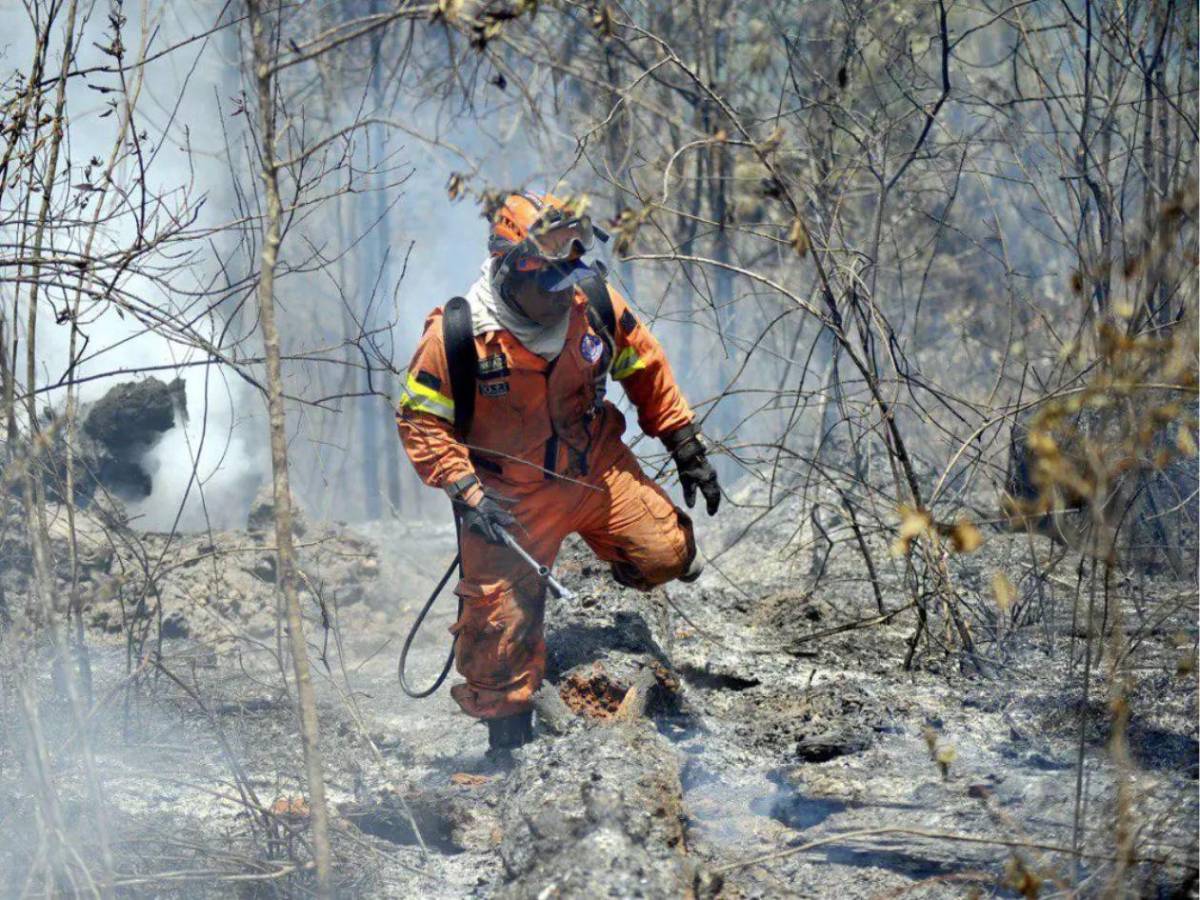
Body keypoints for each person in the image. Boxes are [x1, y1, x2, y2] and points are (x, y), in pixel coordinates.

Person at [395, 192, 720, 753]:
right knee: (497, 634)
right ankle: (507, 741)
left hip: (594, 466)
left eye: (570, 271)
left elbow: (643, 364)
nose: (564, 291)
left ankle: (615, 571)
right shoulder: (459, 334)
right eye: (550, 278)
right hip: (508, 497)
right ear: (511, 270)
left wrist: (683, 440)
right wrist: (469, 493)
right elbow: (421, 421)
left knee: (668, 553)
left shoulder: (590, 303)